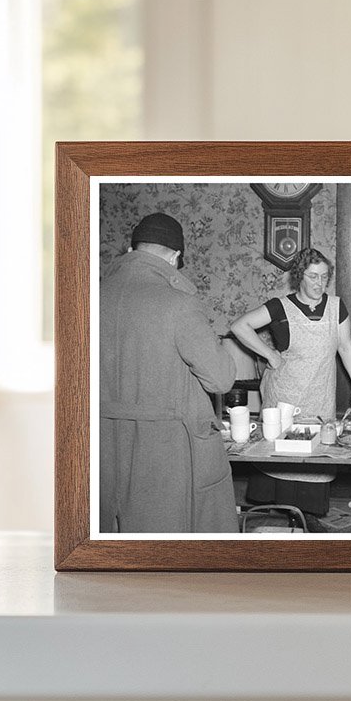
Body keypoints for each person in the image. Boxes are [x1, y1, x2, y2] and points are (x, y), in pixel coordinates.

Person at [98, 212, 238, 533]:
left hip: (103, 448)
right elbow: (220, 379)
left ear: (133, 250)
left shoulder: (90, 298)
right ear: (175, 258)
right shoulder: (179, 304)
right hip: (168, 454)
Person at [230, 247, 351, 514]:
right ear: (299, 277)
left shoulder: (336, 306)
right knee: (279, 460)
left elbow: (346, 347)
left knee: (313, 463)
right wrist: (269, 354)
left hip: (319, 397)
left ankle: (304, 526)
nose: (320, 283)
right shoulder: (279, 306)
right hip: (283, 397)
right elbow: (239, 326)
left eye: (324, 277)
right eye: (313, 276)